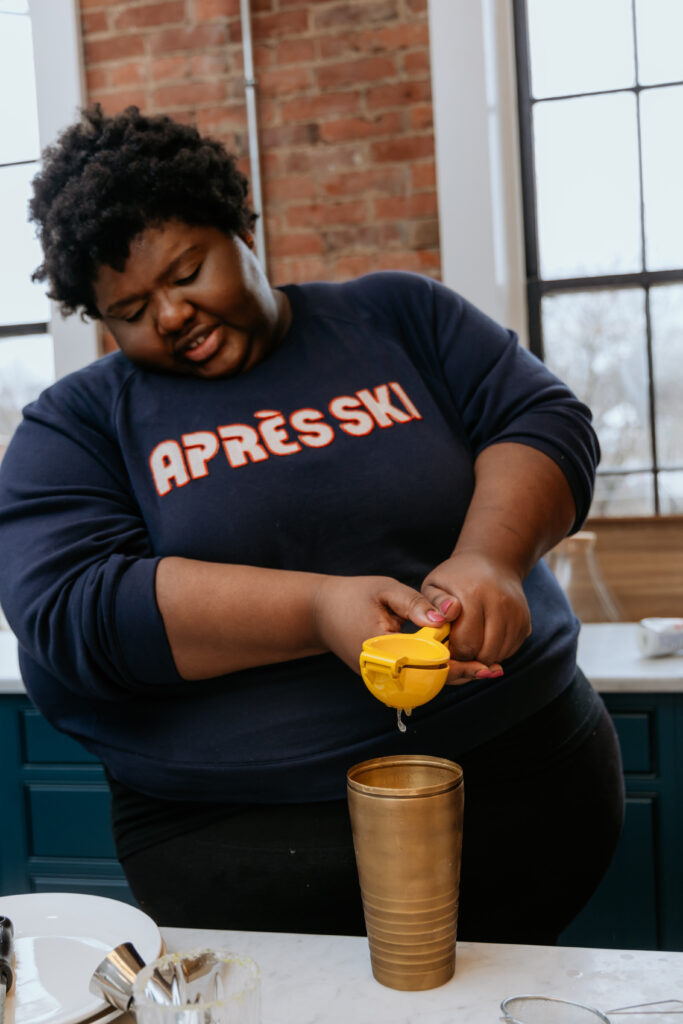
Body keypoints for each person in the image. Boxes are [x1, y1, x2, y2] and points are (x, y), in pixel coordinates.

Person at [0, 106, 623, 943]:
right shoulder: (75, 425)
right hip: (244, 856)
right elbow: (69, 608)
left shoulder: (399, 316)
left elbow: (541, 419)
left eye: (187, 271)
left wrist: (490, 559)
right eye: (131, 310)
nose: (172, 315)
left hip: (531, 794)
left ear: (239, 228)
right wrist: (317, 610)